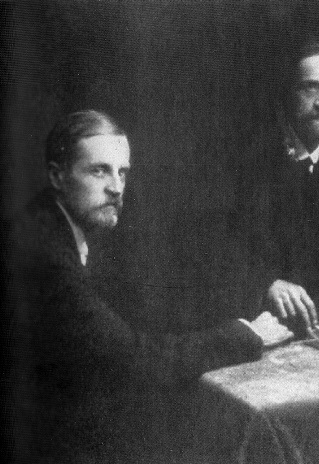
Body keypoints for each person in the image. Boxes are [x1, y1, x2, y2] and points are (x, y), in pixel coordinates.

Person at [7, 110, 293, 462]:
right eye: (99, 171)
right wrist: (246, 333)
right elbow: (134, 361)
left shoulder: (53, 224)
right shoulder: (44, 255)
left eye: (122, 172)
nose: (116, 188)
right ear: (57, 176)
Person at [233, 42, 319, 333]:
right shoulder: (243, 161)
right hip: (255, 326)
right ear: (289, 94)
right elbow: (207, 248)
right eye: (310, 88)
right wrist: (265, 283)